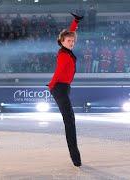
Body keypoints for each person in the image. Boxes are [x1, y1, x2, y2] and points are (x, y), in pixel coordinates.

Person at [47, 13, 83, 167]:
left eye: (73, 41)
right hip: (59, 87)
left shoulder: (66, 50)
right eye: (69, 41)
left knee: (70, 121)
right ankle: (75, 157)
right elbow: (59, 71)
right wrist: (51, 85)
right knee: (69, 121)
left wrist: (75, 22)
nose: (72, 43)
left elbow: (70, 33)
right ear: (62, 42)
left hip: (64, 87)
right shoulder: (63, 54)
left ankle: (75, 156)